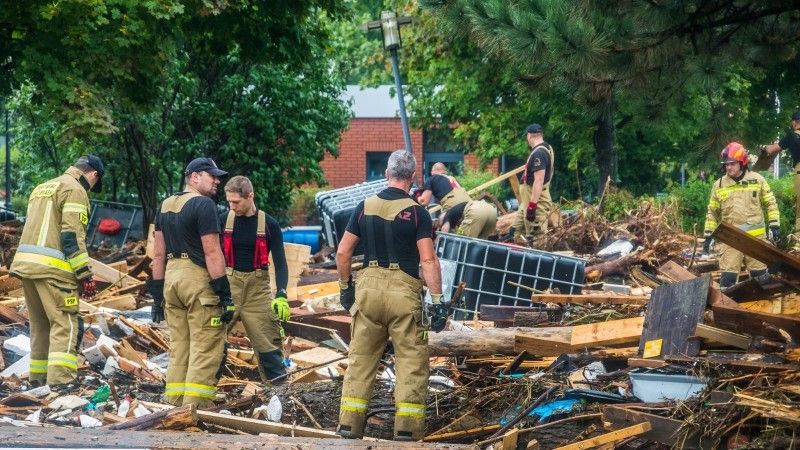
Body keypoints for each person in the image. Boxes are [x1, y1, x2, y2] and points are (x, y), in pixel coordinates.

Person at [335, 150, 446, 441]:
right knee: (410, 362)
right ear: (412, 178)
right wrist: (438, 302)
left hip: (368, 291)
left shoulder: (363, 207)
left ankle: (349, 426)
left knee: (360, 360)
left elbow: (343, 252)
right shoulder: (418, 213)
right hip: (404, 294)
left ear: (386, 173)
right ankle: (406, 432)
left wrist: (346, 288)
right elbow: (428, 260)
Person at [147, 157, 234, 408]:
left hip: (172, 279)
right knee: (205, 344)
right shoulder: (203, 205)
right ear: (194, 177)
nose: (217, 180)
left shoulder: (165, 205)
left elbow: (159, 254)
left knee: (180, 345)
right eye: (212, 176)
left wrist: (157, 296)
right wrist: (224, 293)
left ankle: (174, 401)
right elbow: (212, 252)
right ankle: (196, 407)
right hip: (197, 279)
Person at [10, 155, 104, 386]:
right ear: (93, 175)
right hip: (54, 270)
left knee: (40, 326)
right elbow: (71, 235)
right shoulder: (75, 190)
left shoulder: (43, 187)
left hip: (27, 267)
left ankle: (38, 381)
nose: (91, 189)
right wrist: (84, 273)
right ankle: (61, 383)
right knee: (65, 324)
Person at [221, 175, 289, 384]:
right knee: (212, 342)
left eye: (236, 202)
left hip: (257, 291)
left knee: (269, 346)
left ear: (250, 196)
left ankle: (280, 397)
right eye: (229, 201)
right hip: (228, 286)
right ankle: (202, 400)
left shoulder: (269, 224)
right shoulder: (224, 220)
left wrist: (281, 294)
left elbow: (280, 262)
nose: (232, 207)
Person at [704, 142, 780, 288]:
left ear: (742, 162)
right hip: (730, 241)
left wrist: (774, 225)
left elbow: (771, 203)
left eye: (732, 164)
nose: (728, 167)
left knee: (762, 281)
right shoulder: (719, 185)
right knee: (727, 282)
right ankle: (728, 310)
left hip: (755, 241)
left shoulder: (757, 180)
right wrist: (708, 235)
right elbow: (712, 213)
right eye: (726, 164)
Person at [418, 163, 497, 239]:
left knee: (462, 245)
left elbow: (424, 201)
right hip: (490, 210)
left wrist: (417, 197)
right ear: (445, 172)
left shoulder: (432, 179)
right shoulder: (453, 179)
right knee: (480, 247)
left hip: (472, 211)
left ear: (432, 172)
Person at [759, 110, 800, 249]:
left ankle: (798, 245)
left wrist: (763, 148)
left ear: (795, 122)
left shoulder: (792, 135)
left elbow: (772, 150)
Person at [513, 123, 555, 247]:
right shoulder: (548, 148)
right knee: (517, 230)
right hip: (531, 197)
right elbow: (551, 172)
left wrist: (532, 205)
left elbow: (539, 180)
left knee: (537, 233)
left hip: (536, 198)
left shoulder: (539, 153)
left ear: (530, 136)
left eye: (527, 136)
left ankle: (539, 261)